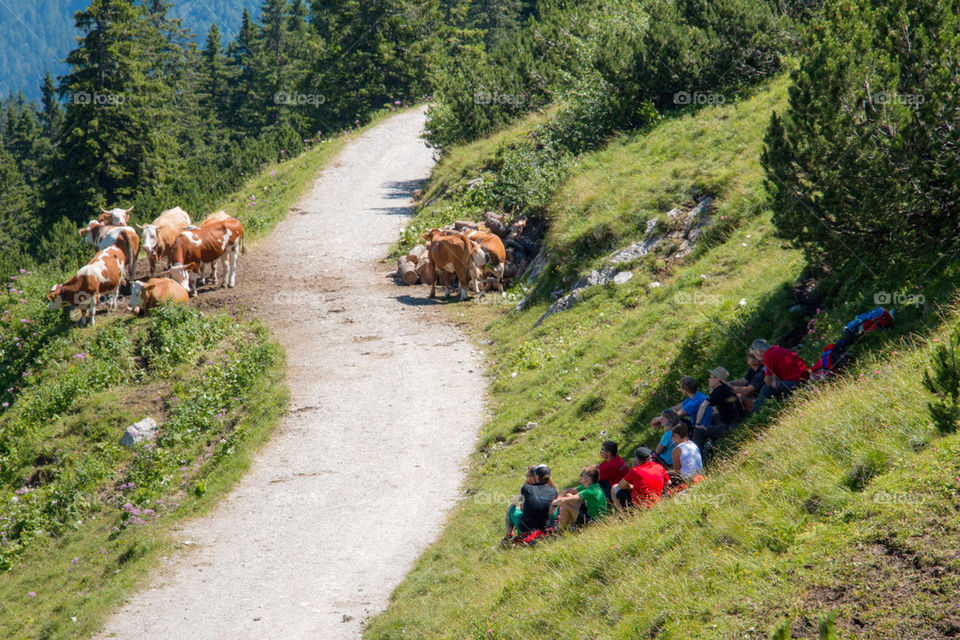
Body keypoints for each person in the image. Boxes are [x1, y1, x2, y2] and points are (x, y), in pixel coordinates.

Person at [750, 339, 810, 412]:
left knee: (766, 389)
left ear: (759, 351)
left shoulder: (767, 356)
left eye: (756, 354)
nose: (757, 357)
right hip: (805, 377)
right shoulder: (776, 348)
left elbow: (768, 381)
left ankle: (756, 413)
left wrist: (771, 379)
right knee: (773, 388)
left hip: (798, 382)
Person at [693, 367, 746, 450]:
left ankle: (697, 458)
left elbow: (703, 406)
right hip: (736, 421)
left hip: (730, 426)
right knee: (714, 416)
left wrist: (698, 424)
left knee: (698, 431)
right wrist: (711, 391)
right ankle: (712, 445)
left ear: (718, 379)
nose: (708, 379)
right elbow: (716, 410)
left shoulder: (718, 391)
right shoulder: (725, 388)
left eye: (711, 377)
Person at [503, 465, 558, 542]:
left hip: (527, 528)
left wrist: (525, 485)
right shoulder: (553, 491)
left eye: (527, 476)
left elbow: (515, 503)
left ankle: (508, 537)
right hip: (546, 527)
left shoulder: (526, 489)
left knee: (511, 508)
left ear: (534, 477)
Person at [552, 466, 608, 532]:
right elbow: (569, 491)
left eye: (582, 474)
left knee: (565, 506)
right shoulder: (591, 486)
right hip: (590, 515)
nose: (580, 476)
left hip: (594, 522)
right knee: (568, 495)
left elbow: (565, 500)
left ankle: (559, 532)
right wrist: (562, 494)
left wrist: (551, 503)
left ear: (589, 479)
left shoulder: (590, 491)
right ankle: (572, 527)